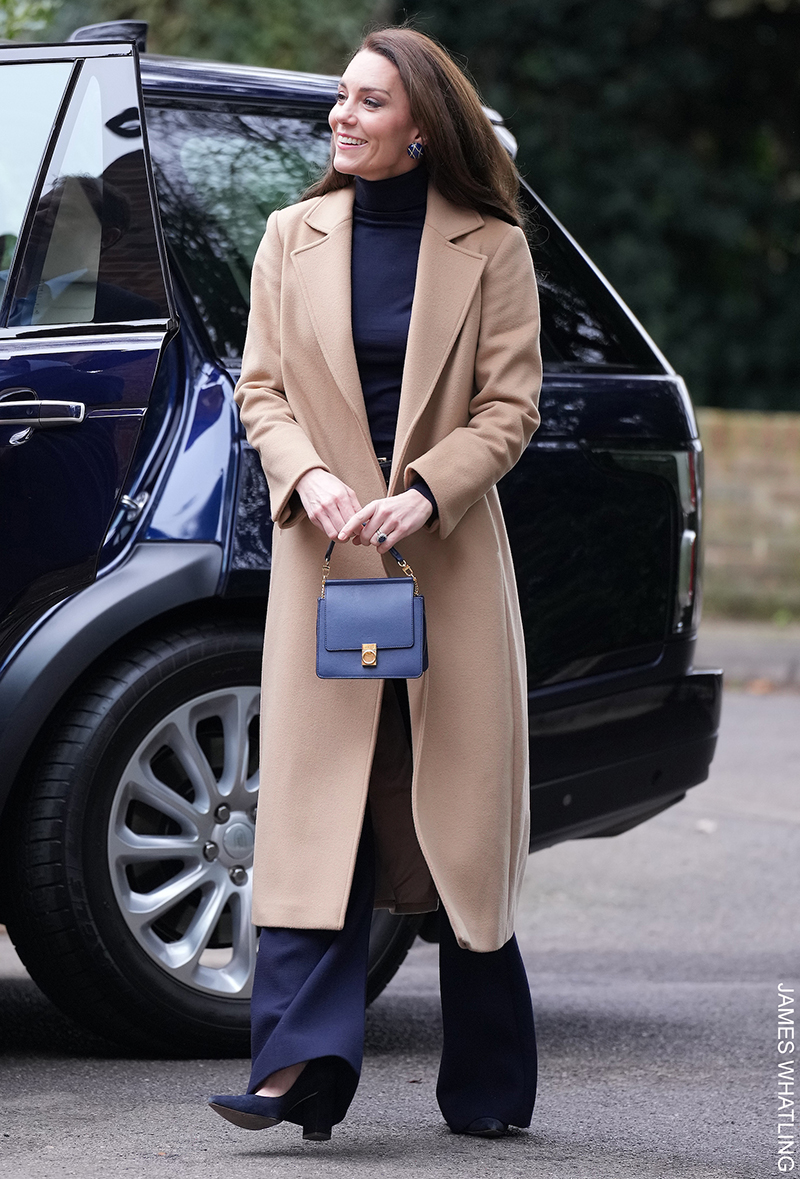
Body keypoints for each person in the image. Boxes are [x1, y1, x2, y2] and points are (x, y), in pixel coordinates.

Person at [209, 26, 542, 1142]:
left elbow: (511, 408)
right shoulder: (285, 237)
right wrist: (307, 476)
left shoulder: (490, 246)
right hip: (327, 557)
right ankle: (299, 1069)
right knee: (321, 812)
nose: (341, 117)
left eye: (365, 102)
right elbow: (260, 393)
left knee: (451, 813)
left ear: (420, 127)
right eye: (339, 100)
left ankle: (488, 1083)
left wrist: (428, 491)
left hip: (442, 564)